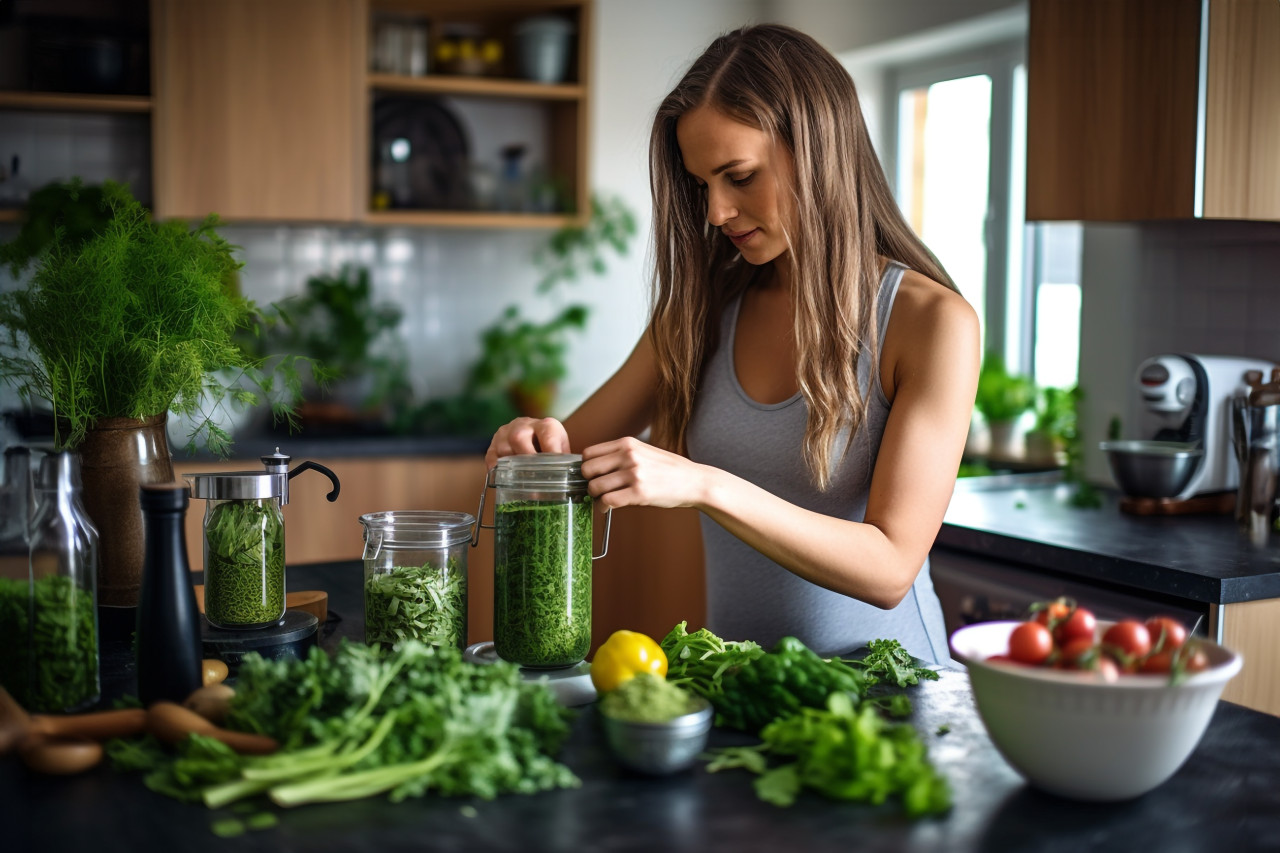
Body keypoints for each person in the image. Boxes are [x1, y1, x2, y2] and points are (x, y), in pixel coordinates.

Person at [485, 23, 980, 664]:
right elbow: (568, 457)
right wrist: (530, 452)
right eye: (702, 185)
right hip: (739, 688)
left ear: (818, 151)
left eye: (739, 176)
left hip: (887, 695)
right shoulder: (700, 313)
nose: (716, 211)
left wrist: (705, 484)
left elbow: (889, 568)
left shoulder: (932, 323)